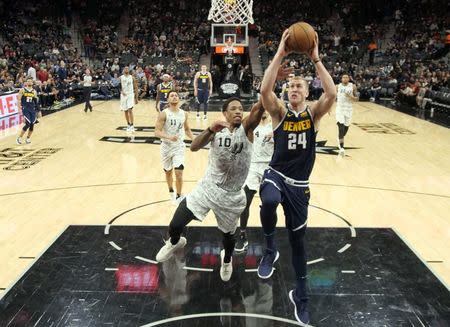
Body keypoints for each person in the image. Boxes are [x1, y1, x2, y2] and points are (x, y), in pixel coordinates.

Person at [258, 29, 336, 325]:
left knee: (299, 243)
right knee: (267, 200)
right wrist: (280, 53)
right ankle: (268, 251)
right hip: (276, 175)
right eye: (290, 85)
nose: (293, 89)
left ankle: (300, 295)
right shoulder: (279, 113)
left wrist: (316, 58)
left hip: (300, 188)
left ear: (306, 92)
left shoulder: (313, 115)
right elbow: (265, 92)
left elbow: (330, 93)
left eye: (298, 86)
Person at [155, 97, 265, 282]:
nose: (238, 111)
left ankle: (227, 260)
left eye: (240, 108)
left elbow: (259, 107)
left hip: (231, 196)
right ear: (225, 113)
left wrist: (270, 81)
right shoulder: (216, 131)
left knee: (229, 239)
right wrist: (210, 129)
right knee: (175, 225)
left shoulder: (247, 129)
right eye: (233, 108)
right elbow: (194, 146)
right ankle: (175, 241)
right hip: (207, 188)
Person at [235, 110, 274, 252]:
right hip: (252, 167)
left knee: (269, 205)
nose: (263, 111)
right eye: (260, 108)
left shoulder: (275, 127)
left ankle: (270, 237)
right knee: (244, 202)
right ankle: (242, 235)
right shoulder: (252, 126)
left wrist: (278, 134)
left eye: (266, 108)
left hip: (269, 168)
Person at [154, 91, 194, 203]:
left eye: (176, 95)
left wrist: (194, 139)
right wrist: (168, 137)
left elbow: (186, 129)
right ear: (168, 100)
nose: (174, 97)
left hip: (179, 147)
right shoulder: (164, 113)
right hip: (166, 146)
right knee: (168, 172)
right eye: (172, 95)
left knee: (179, 173)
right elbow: (156, 132)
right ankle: (171, 190)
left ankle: (179, 195)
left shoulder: (184, 114)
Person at [336, 74, 358, 157]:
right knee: (341, 127)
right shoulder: (337, 86)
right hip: (340, 109)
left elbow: (357, 99)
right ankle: (341, 147)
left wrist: (351, 96)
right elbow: (332, 97)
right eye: (343, 77)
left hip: (349, 109)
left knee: (346, 128)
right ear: (341, 79)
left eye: (346, 77)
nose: (345, 78)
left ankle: (339, 138)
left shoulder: (353, 86)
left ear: (349, 79)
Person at [16, 78, 40, 144]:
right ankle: (19, 138)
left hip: (32, 109)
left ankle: (28, 138)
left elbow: (36, 102)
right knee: (28, 124)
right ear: (26, 83)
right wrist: (19, 109)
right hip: (25, 109)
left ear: (32, 83)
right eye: (28, 81)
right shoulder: (22, 90)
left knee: (32, 124)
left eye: (30, 81)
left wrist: (39, 111)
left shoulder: (34, 91)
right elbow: (18, 100)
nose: (29, 82)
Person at [120, 66, 135, 132]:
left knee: (130, 110)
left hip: (130, 94)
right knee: (125, 111)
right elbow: (117, 86)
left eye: (127, 68)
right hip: (123, 95)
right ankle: (128, 124)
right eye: (125, 68)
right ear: (123, 70)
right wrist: (121, 91)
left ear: (129, 70)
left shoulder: (132, 77)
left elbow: (136, 87)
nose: (126, 69)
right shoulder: (121, 77)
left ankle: (132, 125)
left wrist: (137, 98)